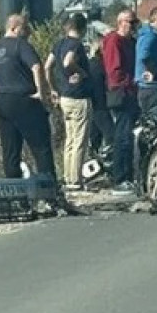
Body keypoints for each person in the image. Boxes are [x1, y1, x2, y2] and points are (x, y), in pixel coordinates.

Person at [0, 14, 57, 181]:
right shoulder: (21, 45)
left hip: (1, 101)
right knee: (40, 146)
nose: (28, 32)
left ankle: (15, 191)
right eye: (25, 28)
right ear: (15, 28)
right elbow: (36, 66)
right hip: (23, 98)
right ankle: (48, 189)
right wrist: (41, 93)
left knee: (10, 149)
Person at [45, 13, 92, 190]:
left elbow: (47, 66)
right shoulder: (76, 44)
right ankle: (75, 180)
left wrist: (52, 88)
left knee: (70, 140)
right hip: (78, 96)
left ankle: (67, 176)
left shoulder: (59, 44)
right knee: (79, 139)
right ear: (83, 28)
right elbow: (67, 62)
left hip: (64, 96)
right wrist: (81, 72)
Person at [102, 9, 139, 195]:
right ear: (121, 22)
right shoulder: (114, 41)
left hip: (131, 92)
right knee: (122, 136)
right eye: (130, 22)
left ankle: (129, 175)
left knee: (129, 136)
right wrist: (128, 84)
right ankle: (120, 178)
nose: (133, 26)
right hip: (121, 92)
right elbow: (114, 70)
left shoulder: (131, 42)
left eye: (135, 23)